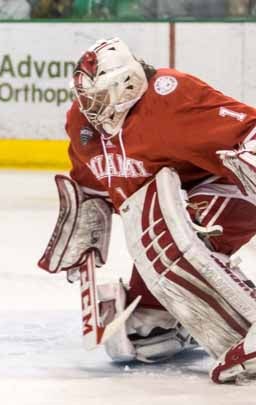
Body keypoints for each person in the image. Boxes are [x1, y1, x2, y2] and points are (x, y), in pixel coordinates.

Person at [38, 37, 256, 384]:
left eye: (98, 95)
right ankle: (186, 320)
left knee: (176, 238)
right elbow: (92, 186)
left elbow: (248, 130)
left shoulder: (170, 97)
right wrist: (86, 227)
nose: (88, 105)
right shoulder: (82, 121)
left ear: (128, 83)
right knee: (143, 335)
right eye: (85, 96)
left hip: (225, 193)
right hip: (166, 217)